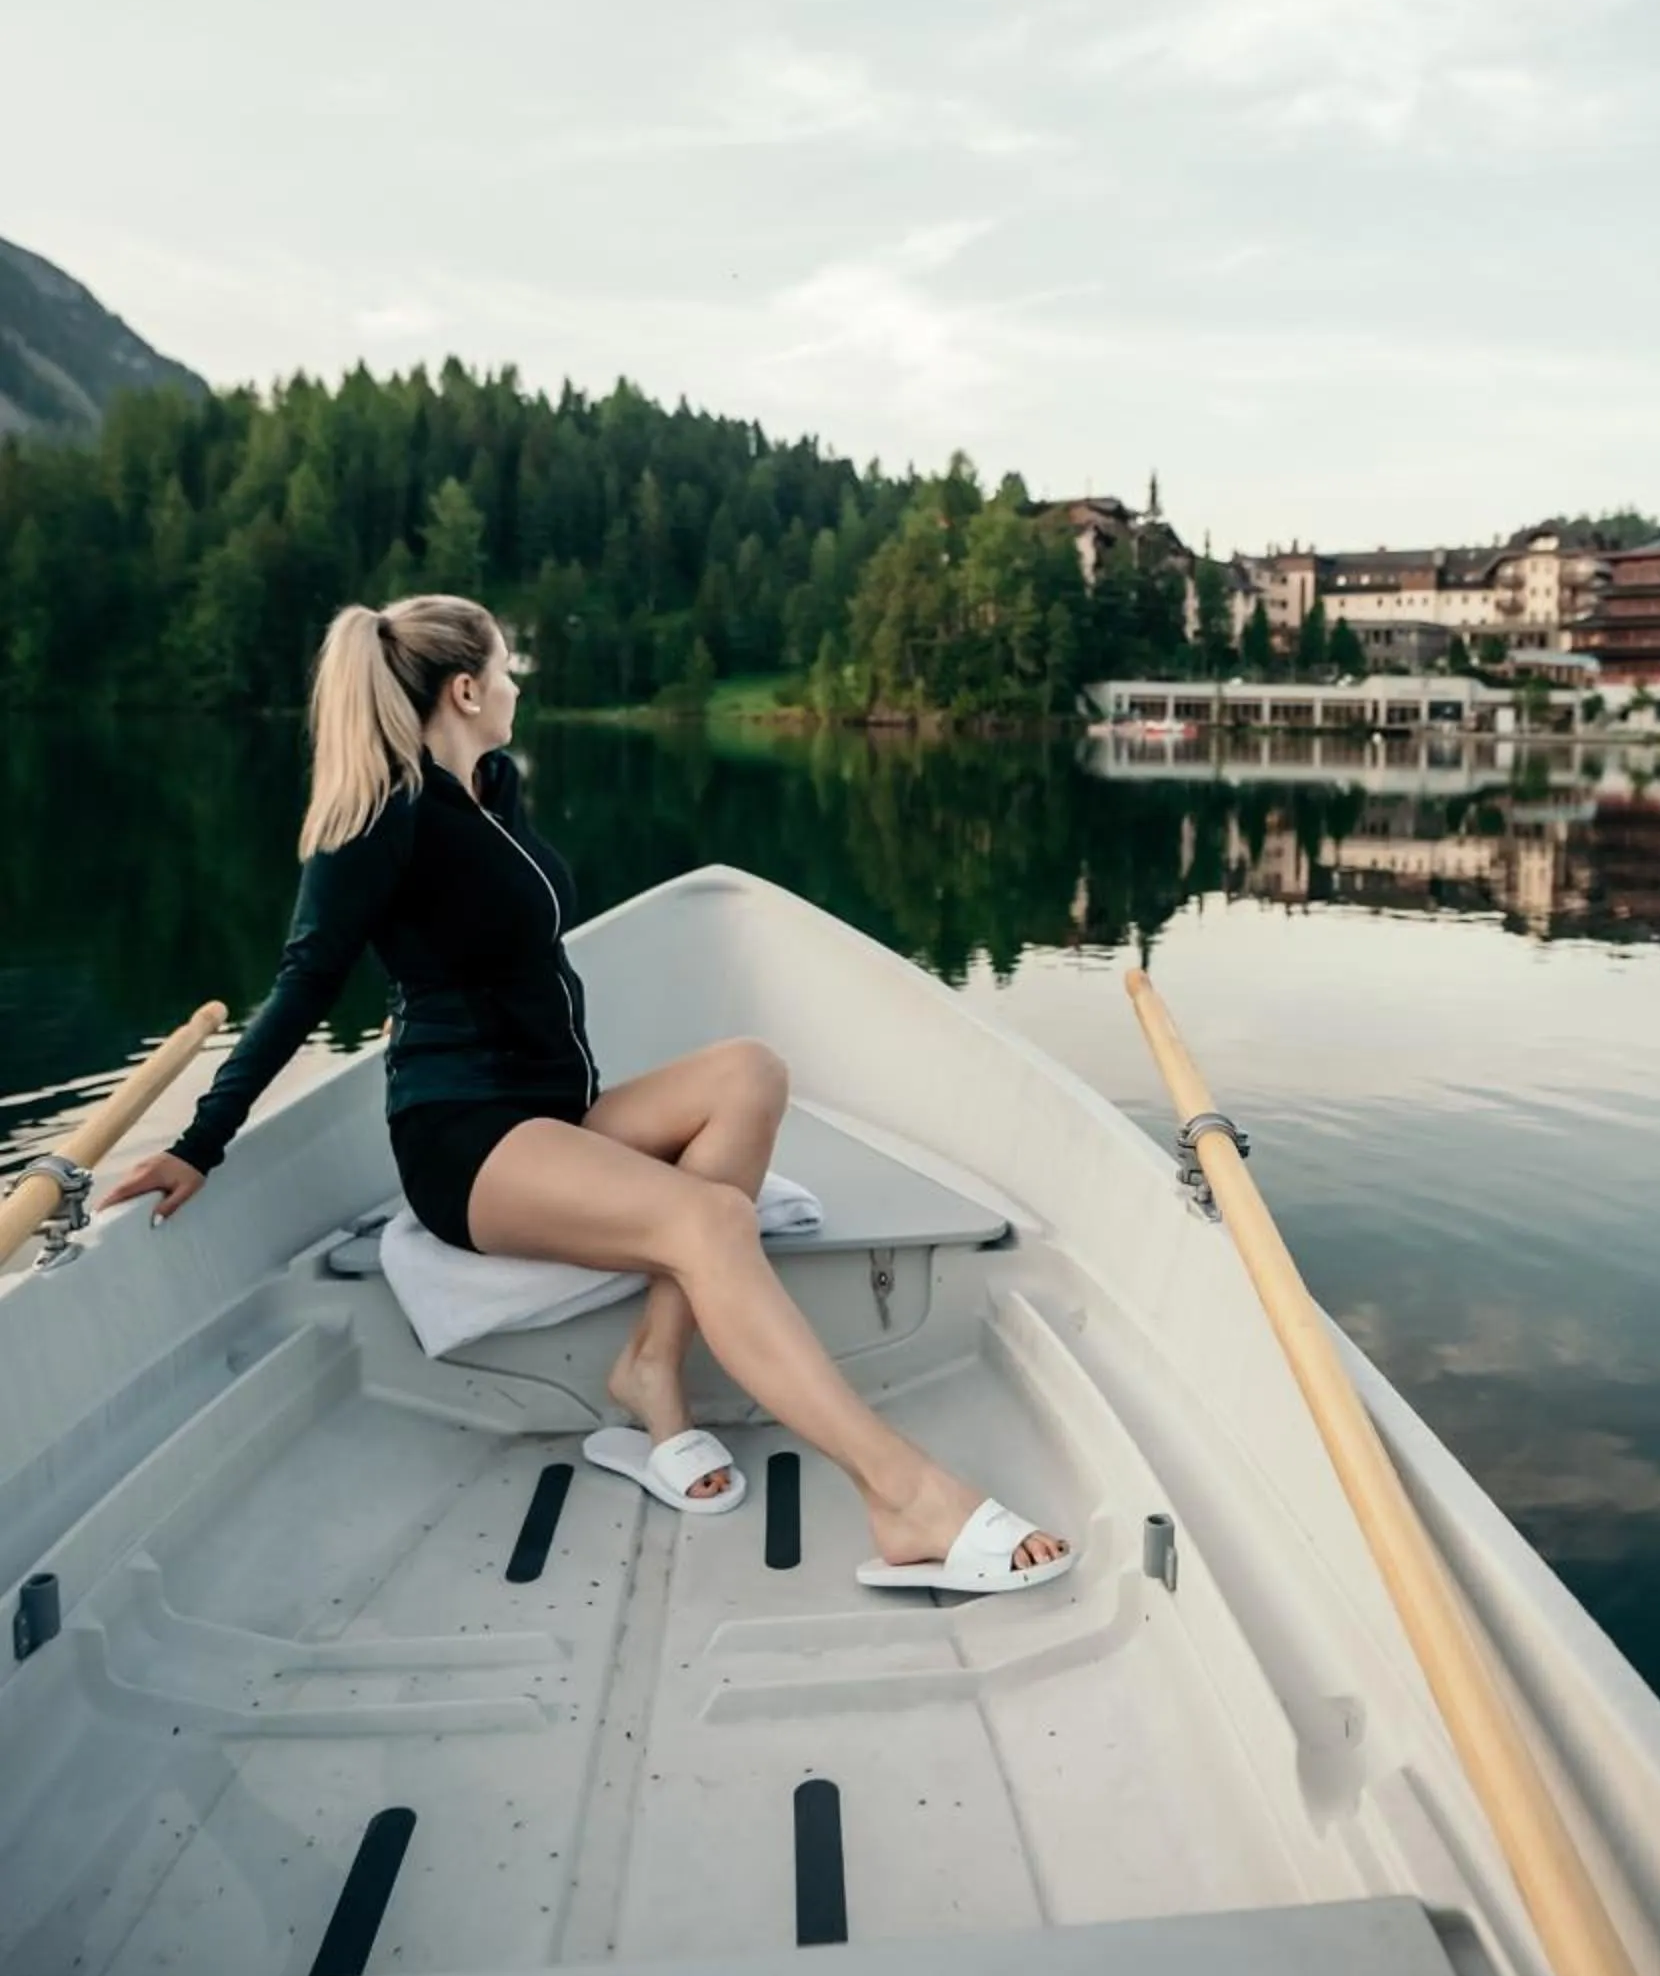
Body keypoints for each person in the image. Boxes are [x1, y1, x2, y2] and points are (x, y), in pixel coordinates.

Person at [102, 593, 1071, 1591]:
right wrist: (201, 1141)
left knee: (750, 1072)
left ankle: (652, 1366)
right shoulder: (381, 819)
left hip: (553, 1114)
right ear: (466, 687)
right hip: (465, 1141)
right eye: (509, 668)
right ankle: (902, 1494)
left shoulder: (492, 784)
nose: (520, 684)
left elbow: (499, 936)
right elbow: (304, 984)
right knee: (711, 1225)